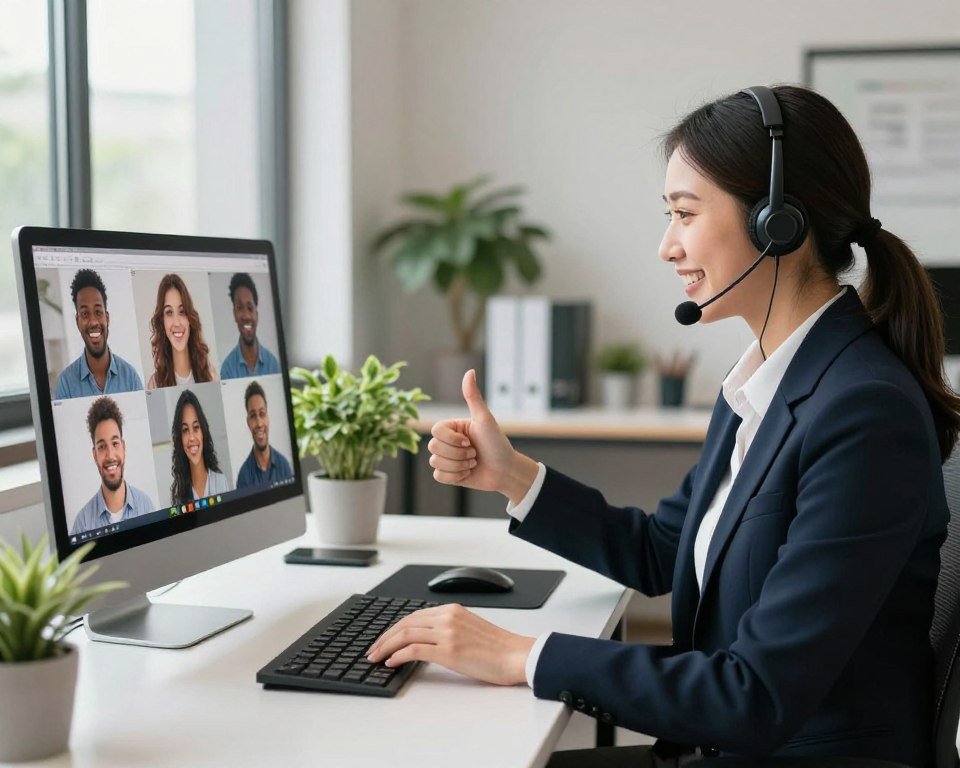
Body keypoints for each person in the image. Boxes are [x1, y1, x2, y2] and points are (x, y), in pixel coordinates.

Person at [365, 85, 959, 766]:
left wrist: (519, 656)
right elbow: (661, 552)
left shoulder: (861, 413)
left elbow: (755, 693)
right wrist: (513, 476)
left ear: (778, 224)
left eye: (684, 214)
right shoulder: (769, 379)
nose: (665, 247)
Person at [54, 269, 144, 399]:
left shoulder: (130, 378)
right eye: (85, 314)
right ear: (77, 322)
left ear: (107, 318)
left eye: (98, 312)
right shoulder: (65, 383)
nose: (93, 322)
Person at [71, 396, 154, 535]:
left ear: (123, 447)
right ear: (94, 455)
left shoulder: (146, 506)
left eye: (115, 444)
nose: (110, 455)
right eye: (102, 447)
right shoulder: (82, 523)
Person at [146, 274, 218, 389]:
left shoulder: (210, 376)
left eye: (182, 311)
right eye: (169, 312)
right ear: (162, 321)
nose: (177, 322)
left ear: (190, 318)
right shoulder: (154, 385)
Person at [170, 389, 229, 506]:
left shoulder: (221, 482)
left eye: (196, 427)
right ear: (179, 439)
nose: (191, 437)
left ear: (203, 431)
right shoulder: (178, 495)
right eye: (185, 430)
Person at [219, 272, 281, 380]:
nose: (246, 316)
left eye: (250, 307)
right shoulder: (227, 369)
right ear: (234, 314)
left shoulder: (273, 364)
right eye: (239, 307)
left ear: (256, 315)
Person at [235, 380, 293, 489]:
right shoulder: (244, 476)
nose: (259, 423)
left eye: (262, 414)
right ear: (248, 422)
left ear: (268, 417)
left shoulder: (284, 466)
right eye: (253, 416)